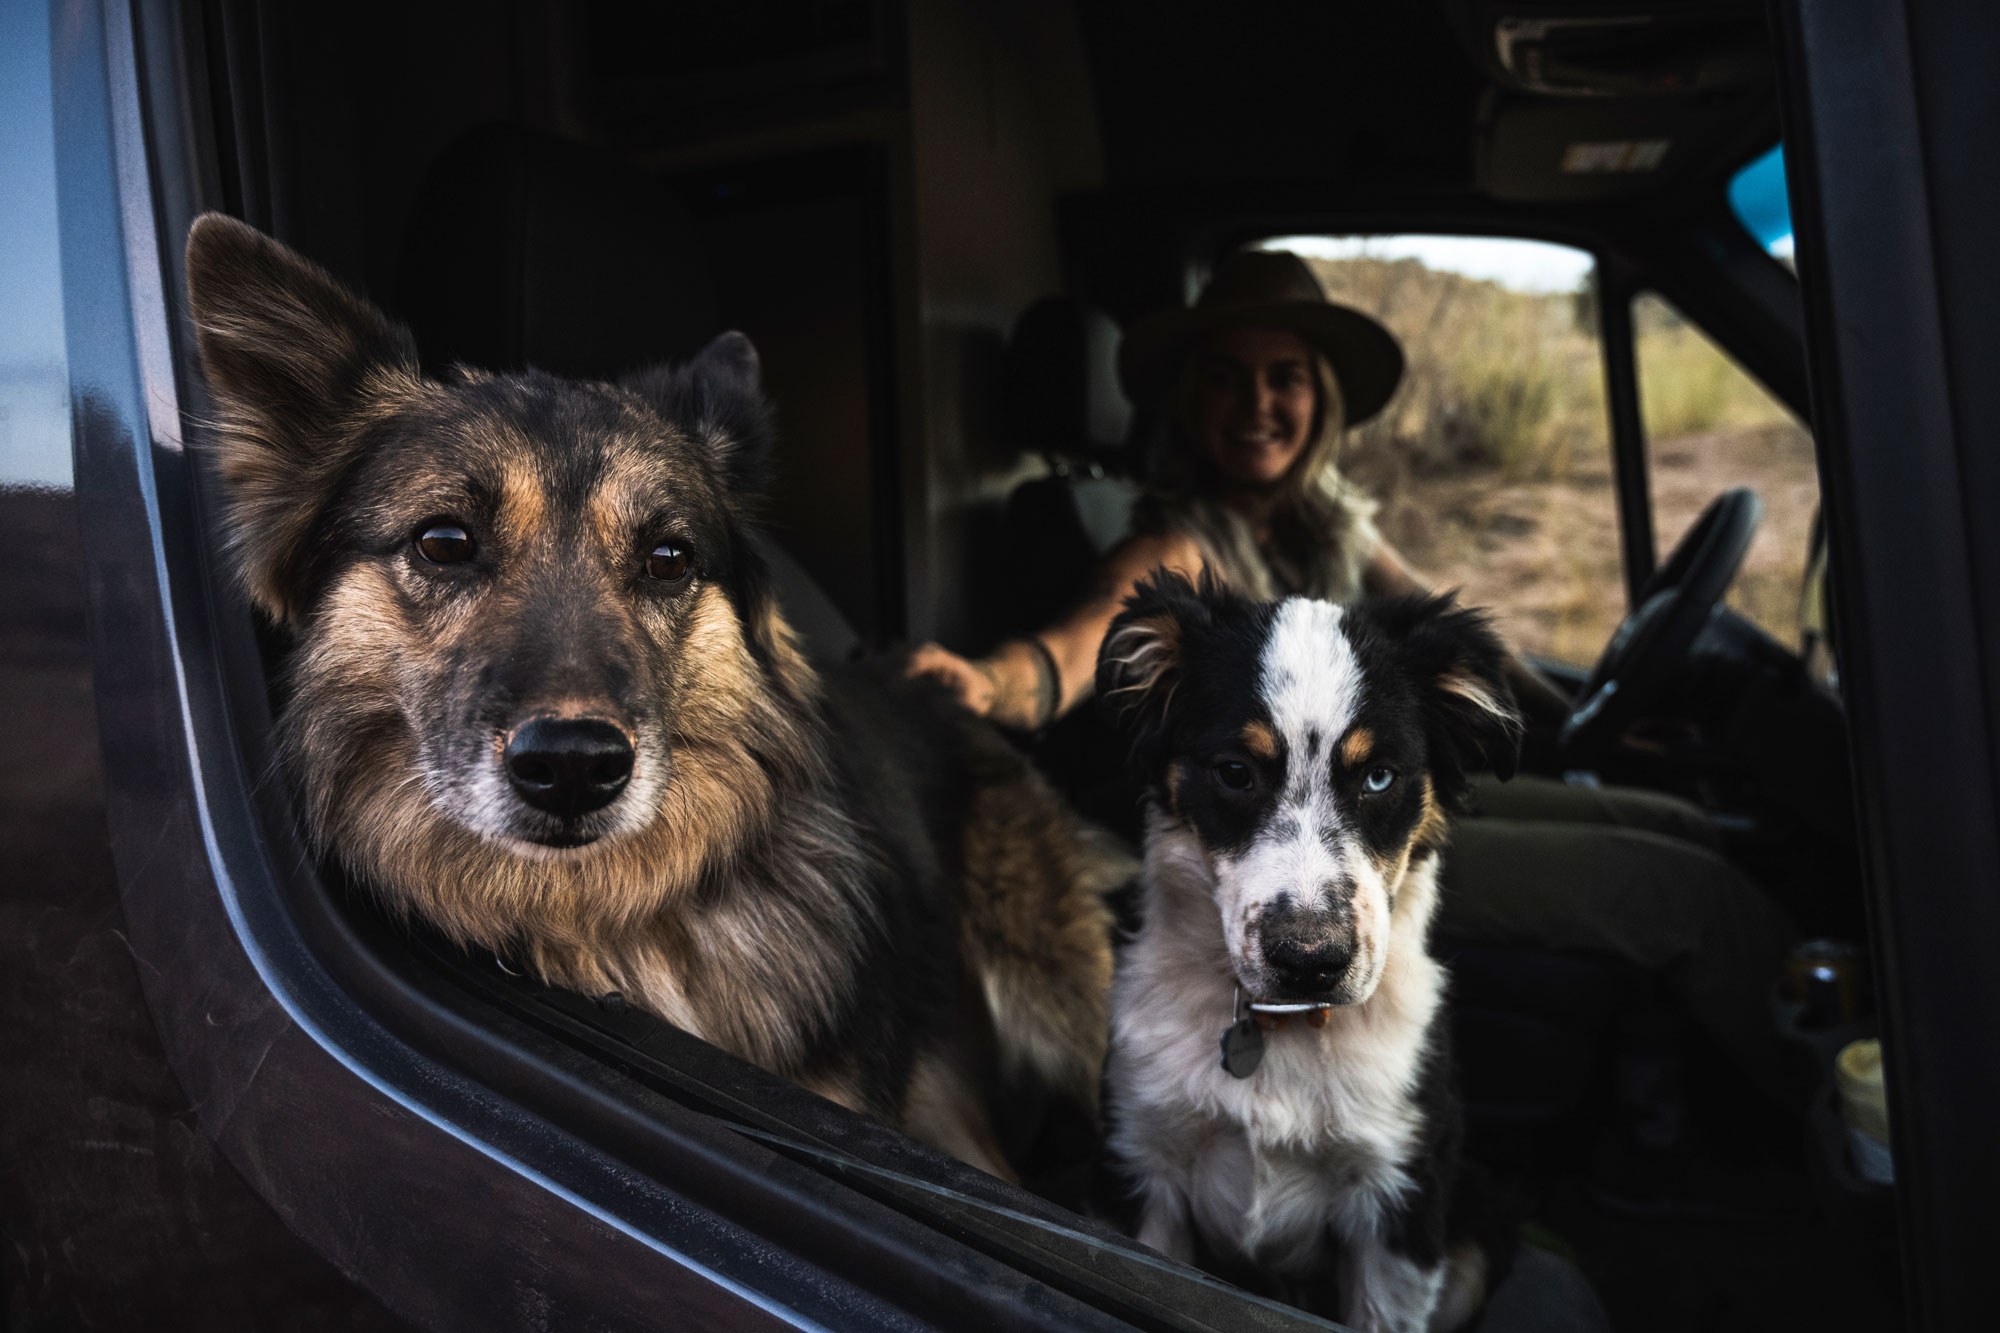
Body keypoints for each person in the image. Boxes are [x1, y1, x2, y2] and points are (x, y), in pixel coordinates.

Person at [908, 249, 1807, 1115]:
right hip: (1309, 850)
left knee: (1675, 817)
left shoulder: (1334, 523)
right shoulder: (1175, 544)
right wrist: (987, 682)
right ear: (1189, 401)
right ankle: (1846, 1117)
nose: (1256, 403)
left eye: (1285, 375)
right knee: (1682, 891)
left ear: (1321, 397)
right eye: (1225, 376)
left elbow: (1447, 642)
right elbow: (1068, 653)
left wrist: (1585, 719)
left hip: (1374, 799)